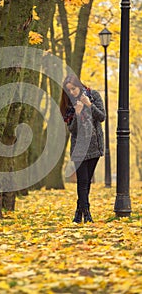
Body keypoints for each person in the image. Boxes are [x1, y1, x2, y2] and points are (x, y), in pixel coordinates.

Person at [60, 74, 105, 223]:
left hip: (94, 145)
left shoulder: (93, 95)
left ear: (79, 85)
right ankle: (87, 214)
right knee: (82, 181)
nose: (72, 92)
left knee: (86, 183)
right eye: (69, 90)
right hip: (79, 148)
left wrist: (89, 105)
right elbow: (72, 129)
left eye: (73, 89)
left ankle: (78, 214)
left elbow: (101, 117)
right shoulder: (69, 106)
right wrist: (78, 113)